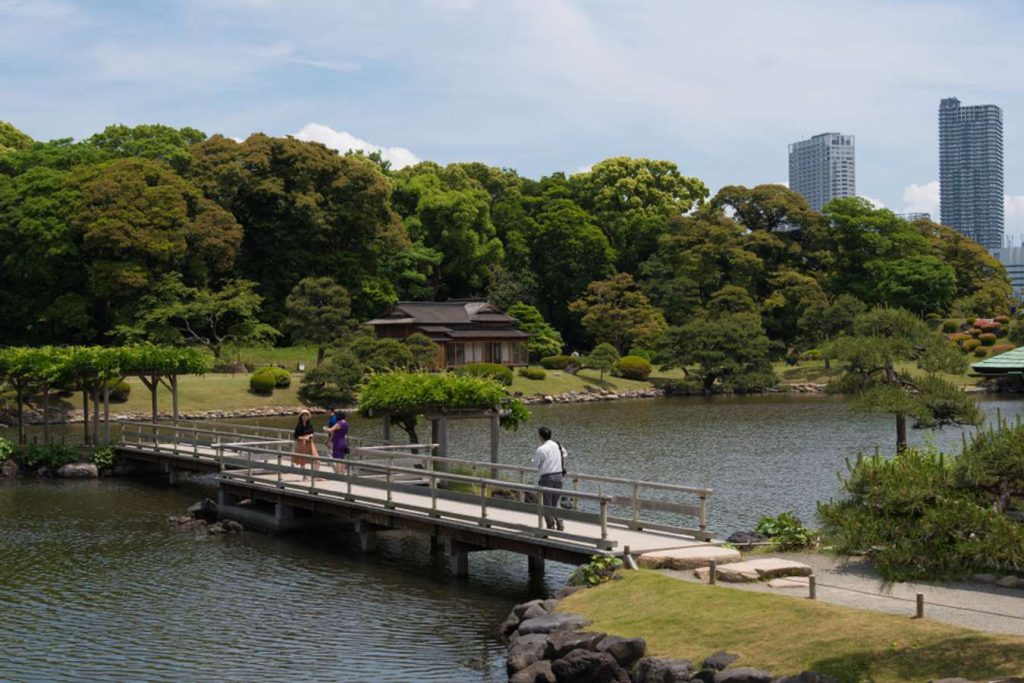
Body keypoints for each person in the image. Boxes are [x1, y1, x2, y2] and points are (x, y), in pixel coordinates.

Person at [532, 425, 566, 531]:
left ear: (540, 436)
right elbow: (564, 454)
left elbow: (535, 464)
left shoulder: (541, 449)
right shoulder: (557, 445)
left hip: (547, 477)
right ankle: (560, 523)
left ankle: (550, 526)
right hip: (559, 476)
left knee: (546, 503)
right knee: (556, 502)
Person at [293, 409, 319, 481]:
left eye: (306, 415)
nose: (305, 417)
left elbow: (312, 432)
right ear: (301, 417)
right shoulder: (299, 426)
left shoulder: (309, 424)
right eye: (303, 415)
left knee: (316, 458)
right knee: (302, 460)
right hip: (302, 443)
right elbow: (296, 436)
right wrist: (303, 438)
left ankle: (314, 475)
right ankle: (304, 476)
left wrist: (310, 436)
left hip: (309, 443)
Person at [323, 409, 349, 475]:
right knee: (342, 458)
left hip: (337, 442)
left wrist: (325, 428)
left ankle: (338, 473)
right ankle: (343, 472)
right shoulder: (346, 423)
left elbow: (330, 430)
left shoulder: (338, 424)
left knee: (337, 459)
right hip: (343, 441)